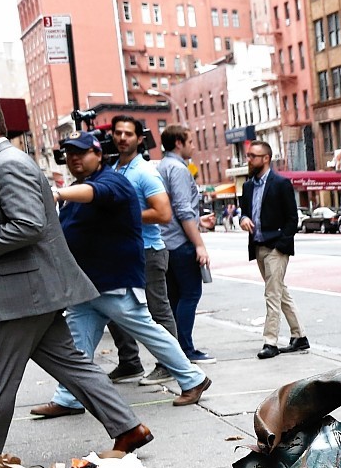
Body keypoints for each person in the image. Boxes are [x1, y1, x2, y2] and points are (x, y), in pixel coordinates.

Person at [0, 88, 150, 468]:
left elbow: (28, 226)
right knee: (73, 366)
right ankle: (129, 428)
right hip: (30, 291)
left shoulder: (7, 164)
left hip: (17, 297)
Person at [28, 131, 210, 418]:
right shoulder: (81, 189)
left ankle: (193, 378)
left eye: (81, 152)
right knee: (78, 344)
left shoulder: (111, 181)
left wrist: (57, 193)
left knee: (146, 329)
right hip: (86, 284)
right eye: (70, 153)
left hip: (114, 280)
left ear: (98, 154)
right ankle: (69, 398)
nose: (74, 158)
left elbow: (96, 194)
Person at [102, 116, 176, 384]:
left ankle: (168, 365)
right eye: (118, 133)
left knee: (158, 310)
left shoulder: (145, 172)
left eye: (128, 134)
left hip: (148, 251)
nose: (123, 138)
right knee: (112, 307)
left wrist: (125, 215)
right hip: (120, 252)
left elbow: (163, 213)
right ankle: (129, 363)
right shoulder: (113, 169)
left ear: (139, 139)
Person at [240, 142, 307, 359]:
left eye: (253, 156)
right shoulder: (248, 186)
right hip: (258, 246)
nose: (248, 159)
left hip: (276, 248)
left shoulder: (280, 183)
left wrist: (281, 244)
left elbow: (292, 219)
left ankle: (270, 341)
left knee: (272, 293)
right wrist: (243, 219)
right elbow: (244, 212)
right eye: (248, 155)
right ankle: (299, 336)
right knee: (280, 291)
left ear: (266, 158)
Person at [158, 124, 216, 365]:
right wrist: (199, 244)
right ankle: (185, 348)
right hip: (180, 243)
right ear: (179, 143)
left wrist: (197, 221)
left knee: (173, 298)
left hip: (165, 242)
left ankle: (175, 349)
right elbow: (182, 209)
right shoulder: (178, 169)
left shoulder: (161, 166)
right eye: (190, 141)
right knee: (190, 294)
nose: (193, 146)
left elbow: (173, 210)